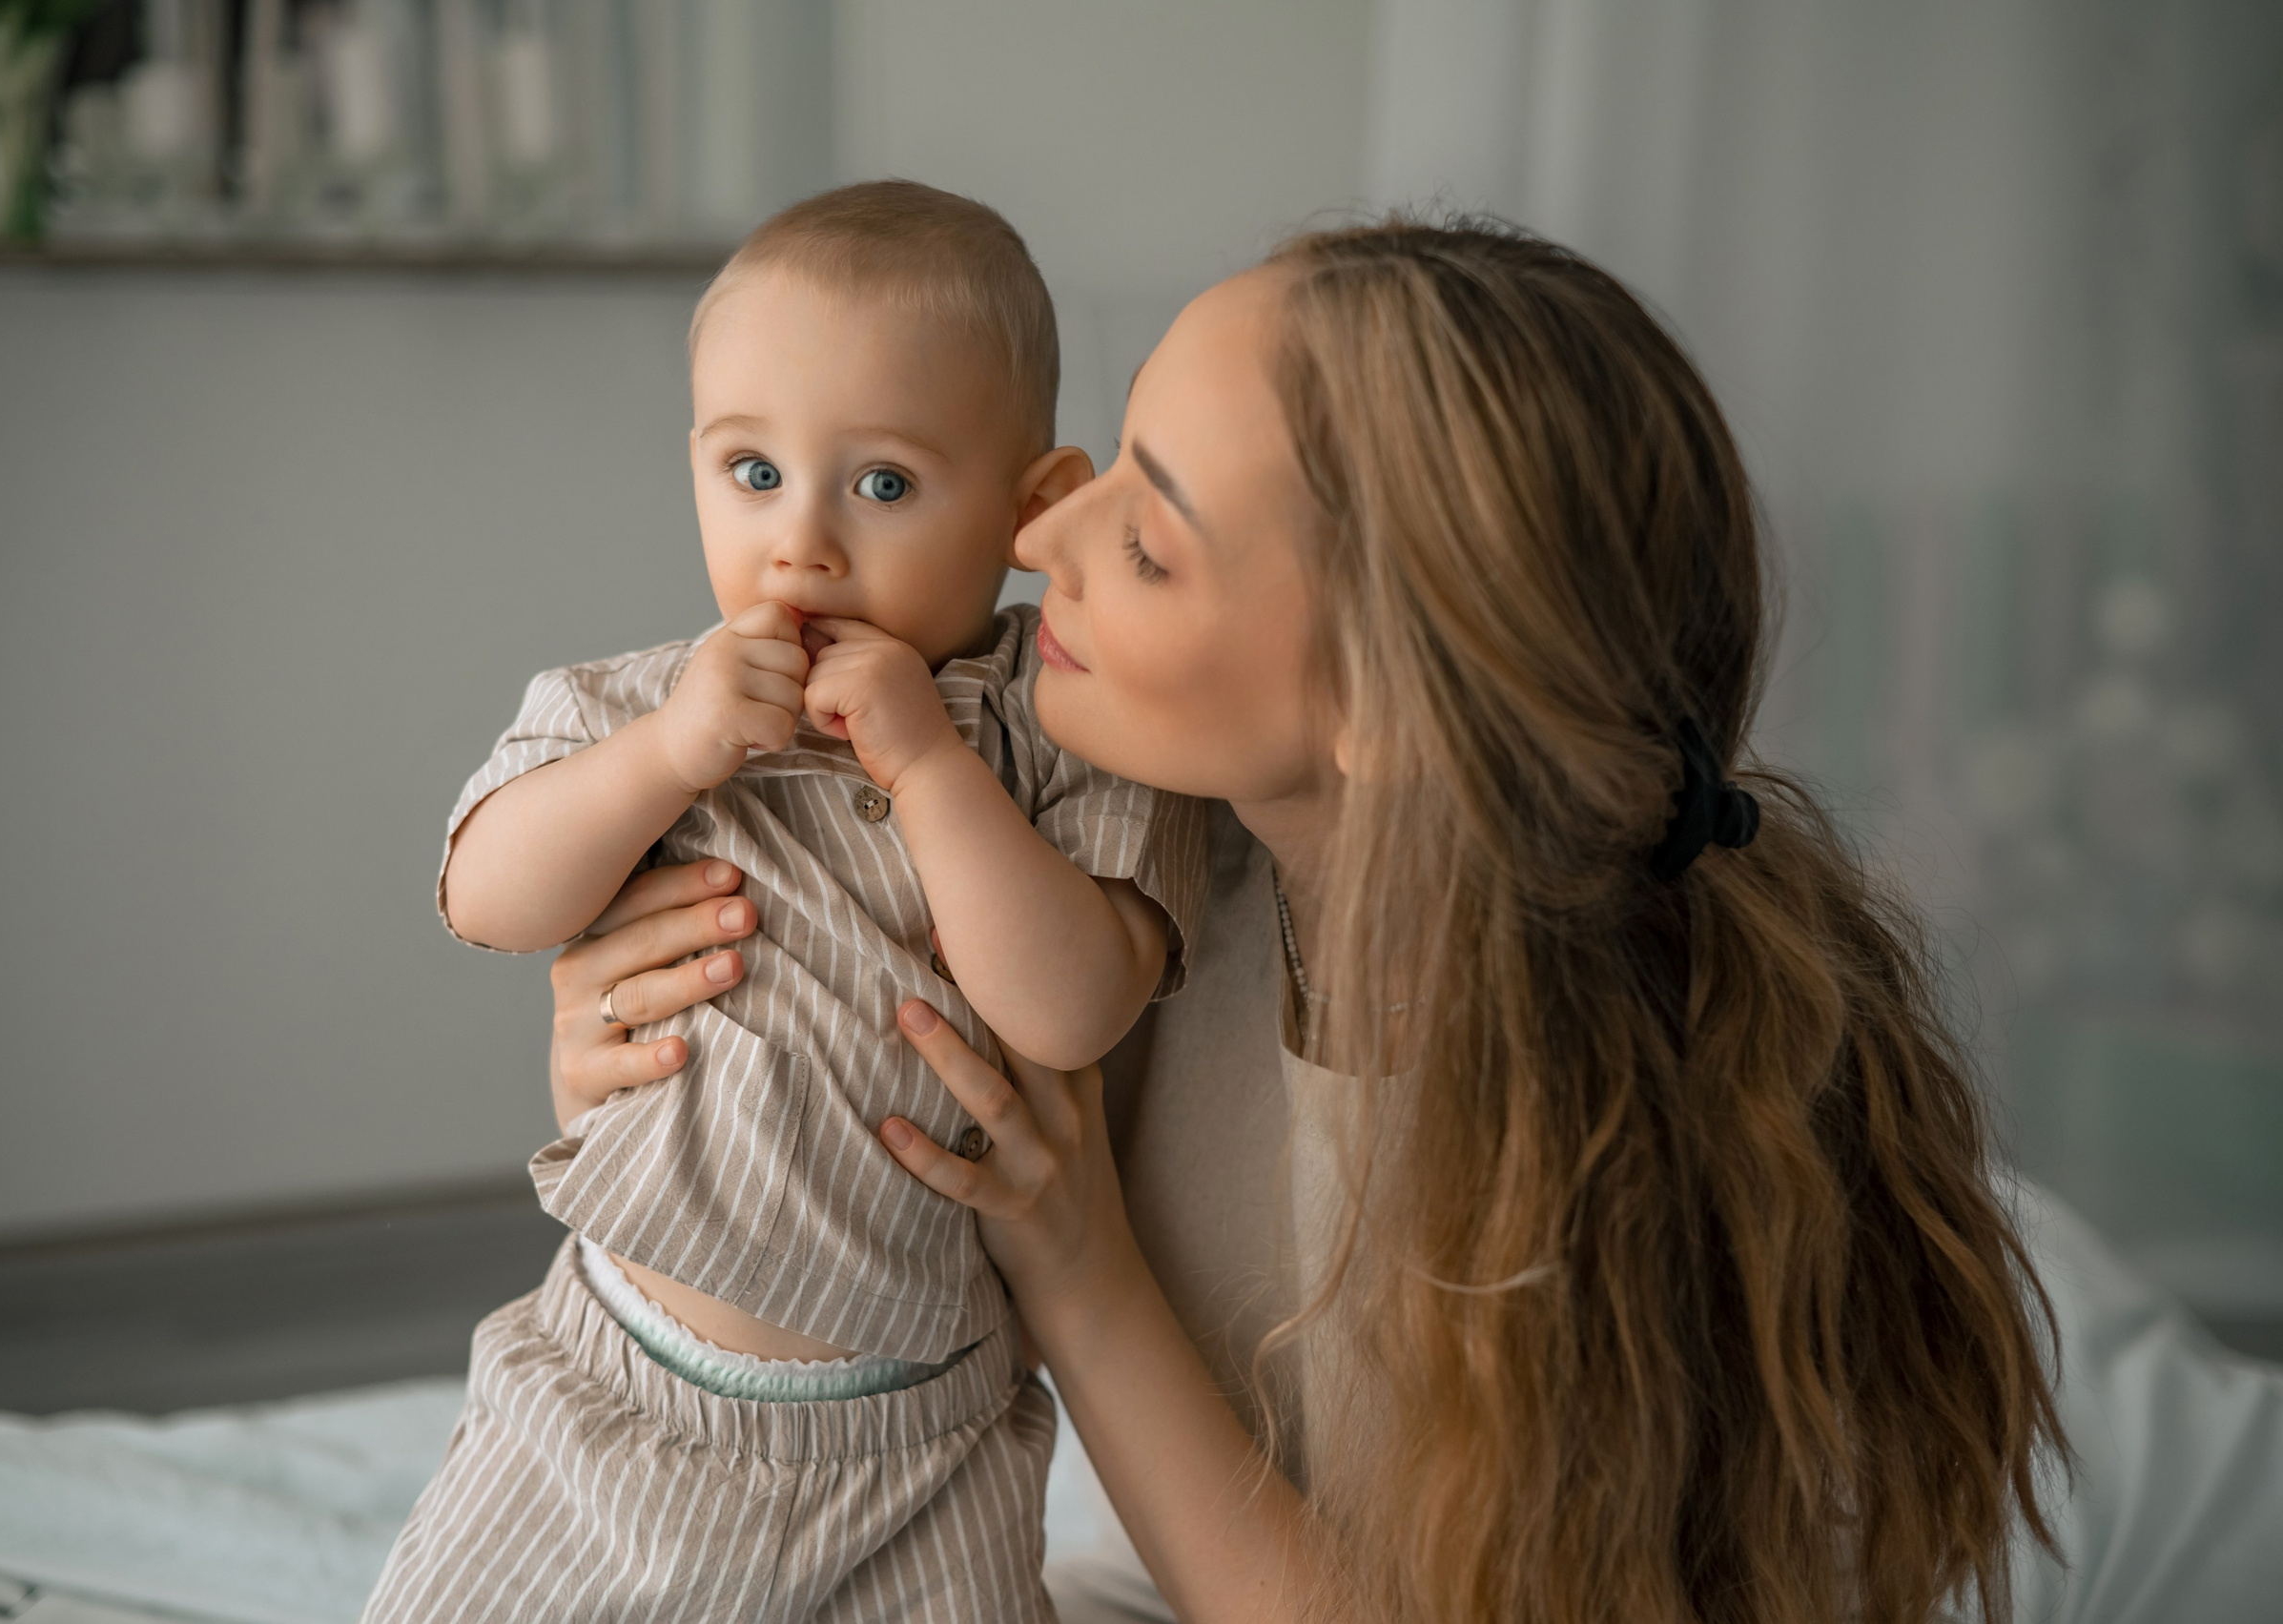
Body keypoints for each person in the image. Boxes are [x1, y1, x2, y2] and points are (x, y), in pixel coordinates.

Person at [545, 217, 2079, 1624]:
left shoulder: (1537, 1172)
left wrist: (1083, 1280)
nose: (1039, 541)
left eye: (1149, 543)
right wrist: (646, 1030)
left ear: (1380, 711)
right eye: (1115, 467)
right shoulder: (1114, 860)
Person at [364, 181, 1207, 1623]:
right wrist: (670, 755)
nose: (801, 544)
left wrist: (931, 763)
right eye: (752, 474)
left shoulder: (1058, 743)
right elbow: (487, 895)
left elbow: (1073, 1004)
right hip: (617, 1392)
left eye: (881, 485)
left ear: (1032, 507)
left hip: (921, 1436)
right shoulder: (643, 704)